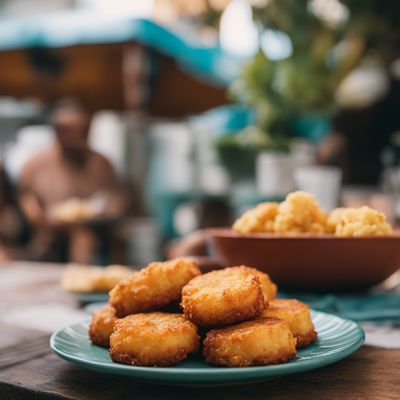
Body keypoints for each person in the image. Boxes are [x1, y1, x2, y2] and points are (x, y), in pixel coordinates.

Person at [18, 99, 129, 264]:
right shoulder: (36, 165)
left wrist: (108, 209)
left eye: (82, 130)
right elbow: (27, 199)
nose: (77, 137)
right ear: (56, 131)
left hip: (97, 234)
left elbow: (116, 197)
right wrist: (44, 219)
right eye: (68, 131)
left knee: (88, 239)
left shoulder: (100, 163)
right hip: (49, 237)